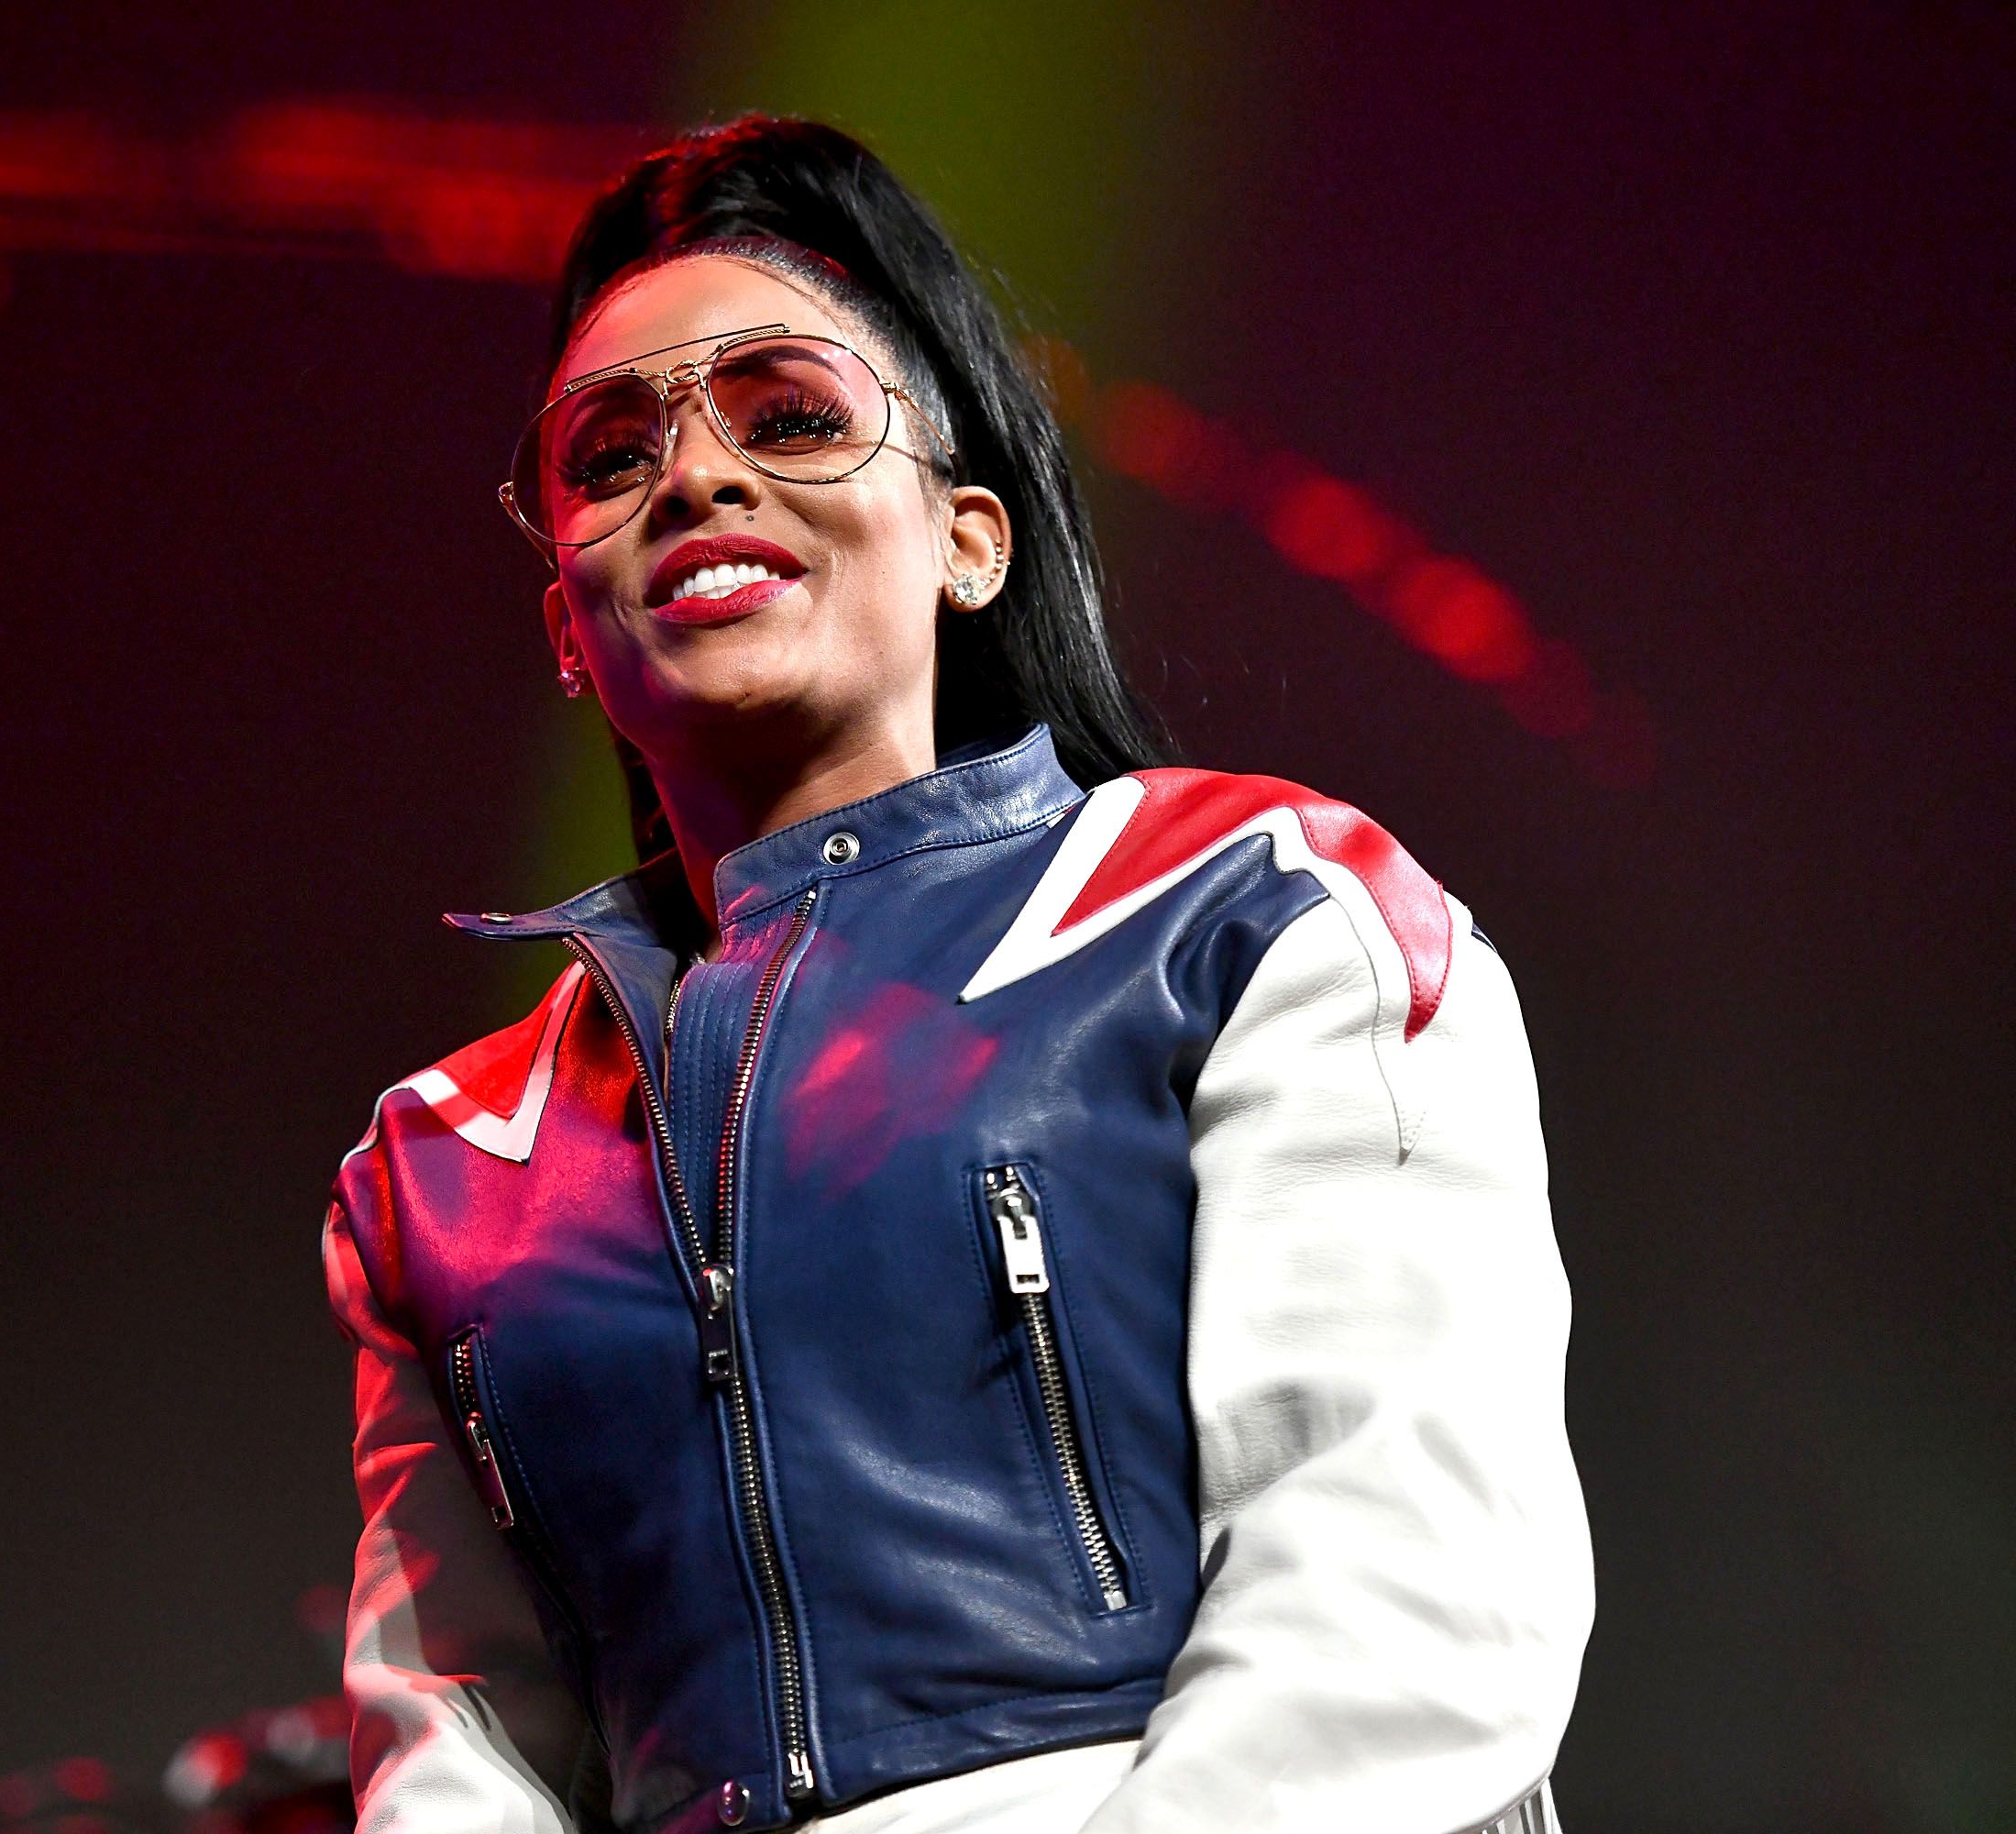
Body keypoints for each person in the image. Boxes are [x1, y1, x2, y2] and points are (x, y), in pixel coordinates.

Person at [320, 116, 1592, 1834]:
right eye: (611, 455)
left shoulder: (1248, 910)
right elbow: (459, 1754)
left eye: (791, 417)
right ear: (567, 625)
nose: (693, 478)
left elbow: (1400, 1611)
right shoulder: (444, 1164)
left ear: (968, 541)